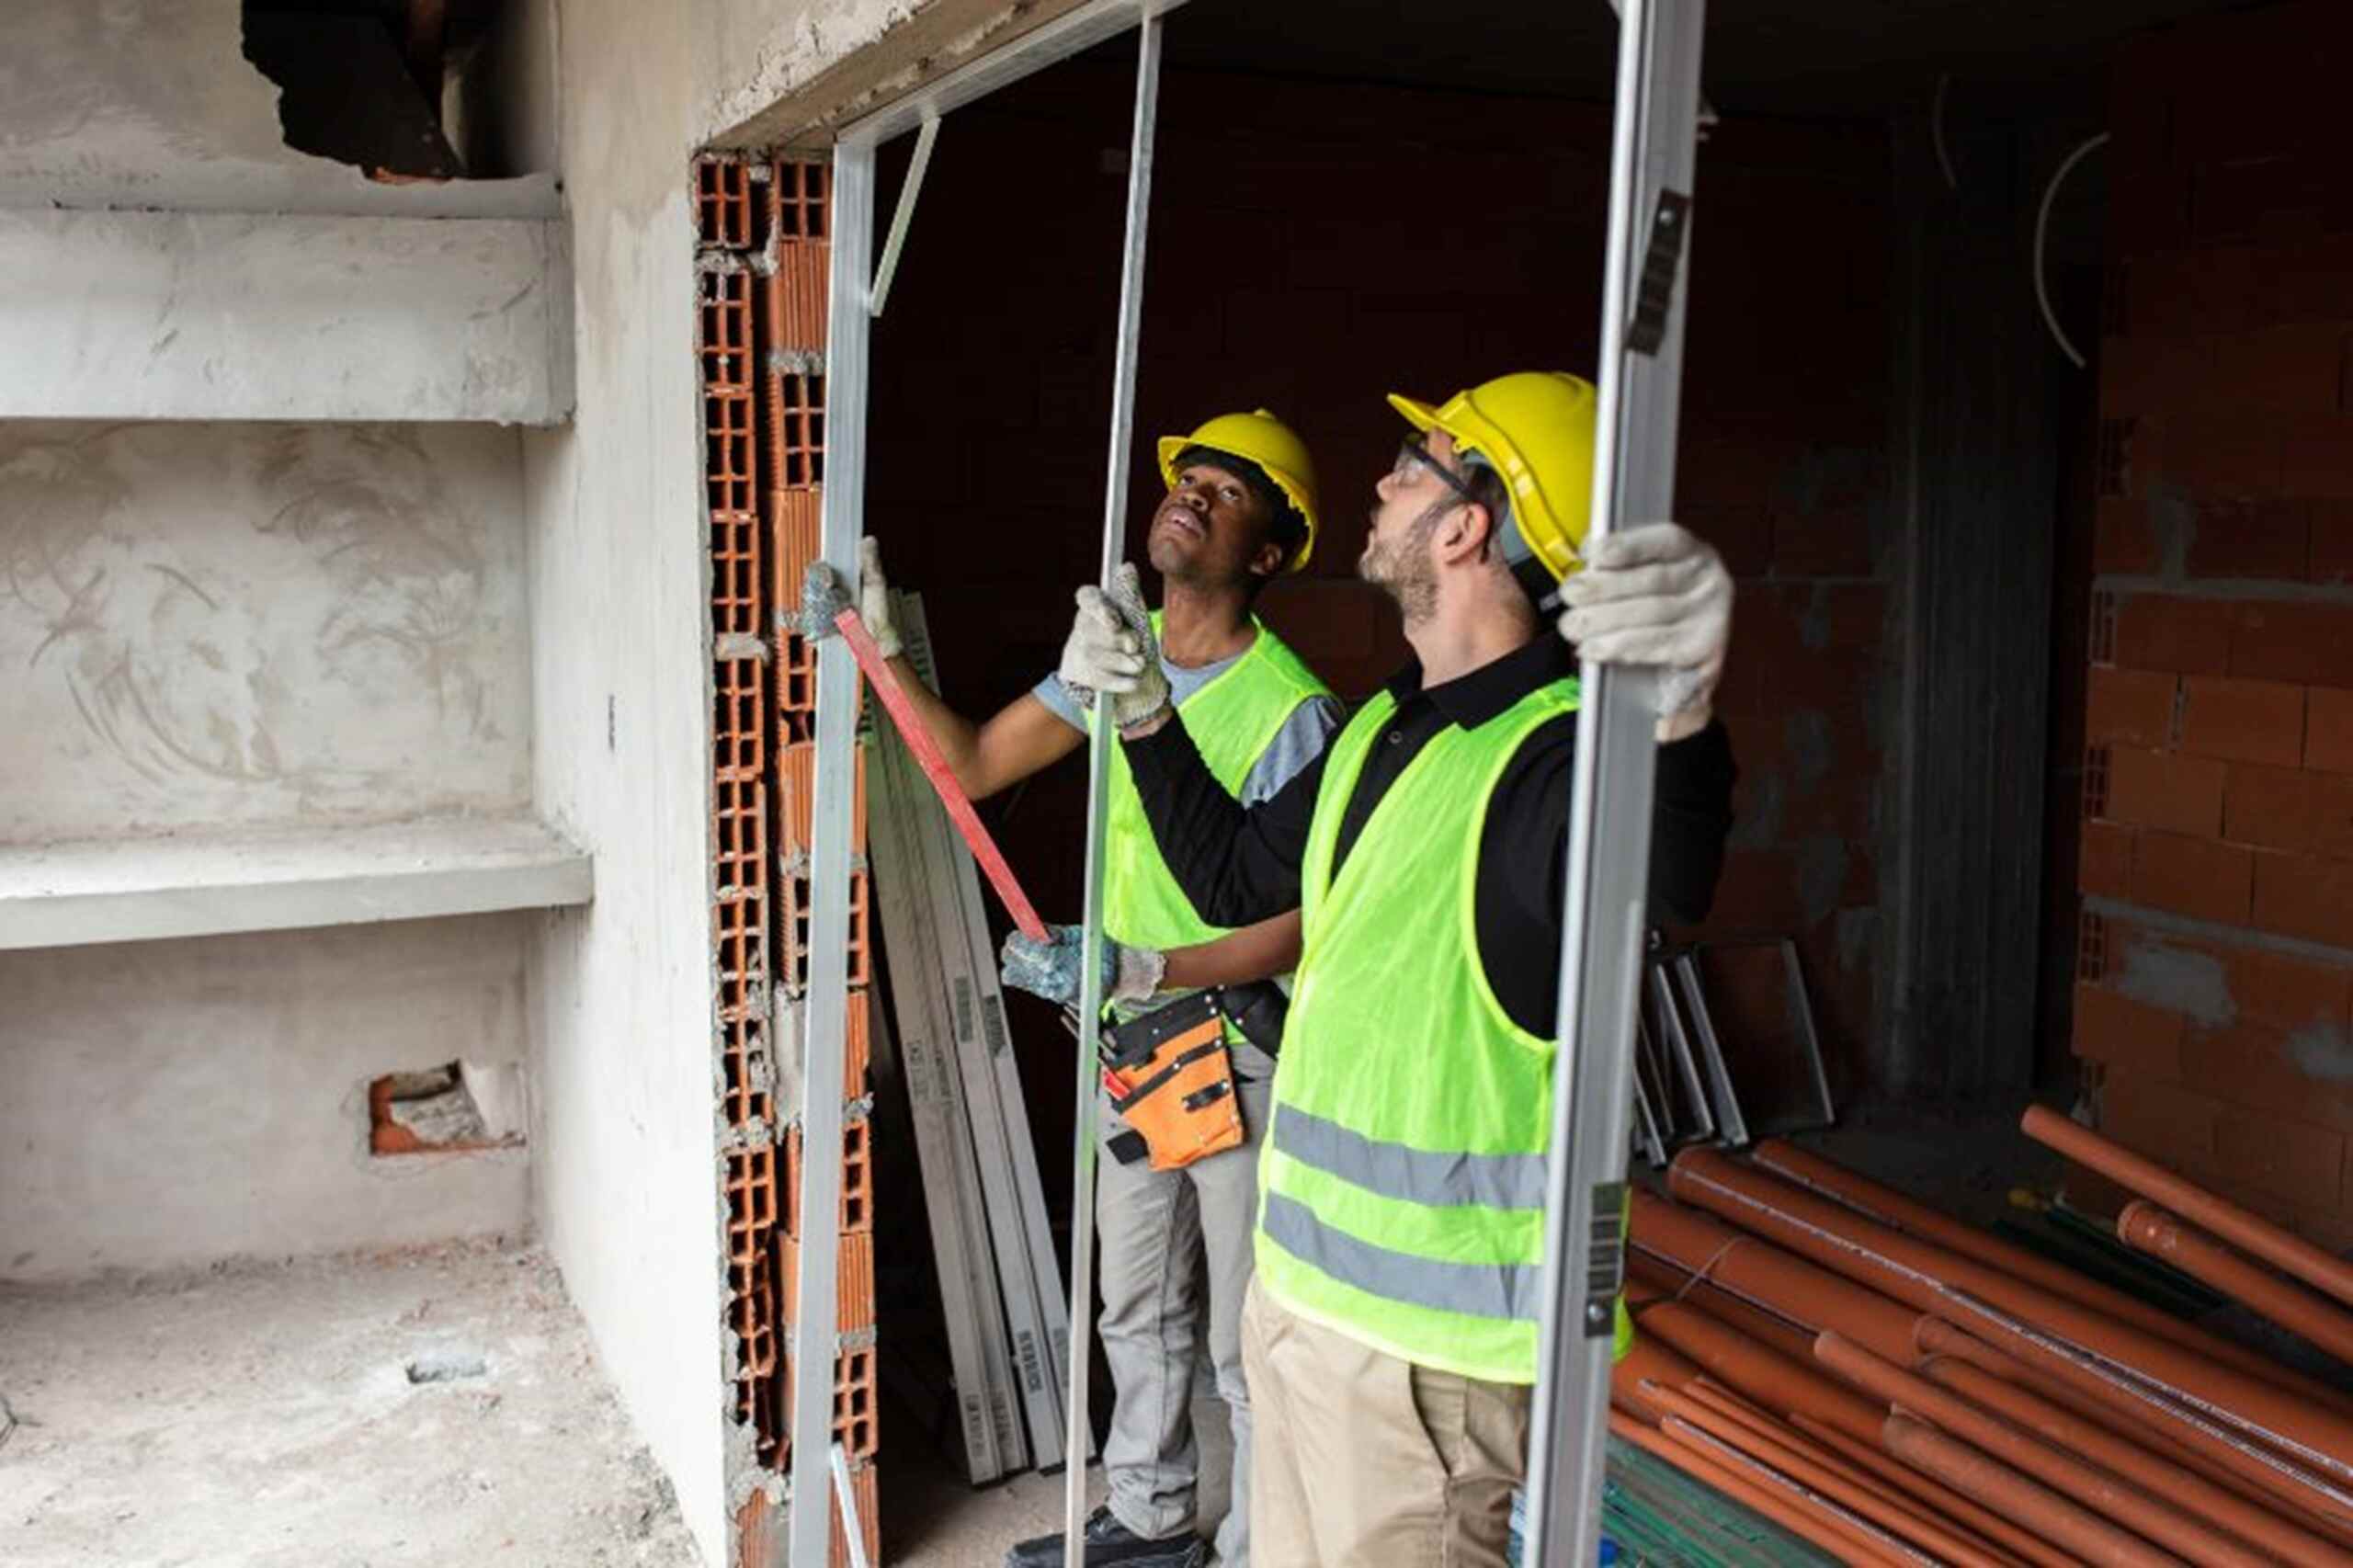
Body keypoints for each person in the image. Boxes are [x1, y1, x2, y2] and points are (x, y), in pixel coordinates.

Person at [1019, 372, 1737, 1567]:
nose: (1381, 478)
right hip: (1302, 1299)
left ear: (1466, 525)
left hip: (1426, 1368)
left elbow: (1655, 867)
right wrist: (1145, 711)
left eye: (1416, 460)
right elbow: (1243, 878)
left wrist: (1680, 718)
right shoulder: (1384, 724)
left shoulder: (1553, 756)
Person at [860, 411, 1346, 1568]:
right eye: (1190, 477)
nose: (1195, 495)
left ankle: (1252, 1545)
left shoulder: (1292, 710)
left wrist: (1142, 963)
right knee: (1136, 1307)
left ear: (1269, 554)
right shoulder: (1112, 662)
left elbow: (1295, 928)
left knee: (1241, 1336)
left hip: (1232, 1045)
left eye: (1232, 493)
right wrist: (884, 658)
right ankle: (1148, 1515)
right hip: (1129, 1043)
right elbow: (971, 764)